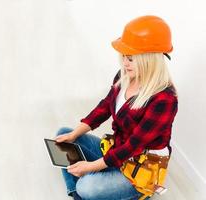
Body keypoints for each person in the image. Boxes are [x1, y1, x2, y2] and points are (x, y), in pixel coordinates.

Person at [55, 15, 178, 200]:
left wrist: (91, 166)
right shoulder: (124, 75)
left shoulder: (164, 99)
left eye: (131, 58)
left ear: (150, 59)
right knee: (64, 135)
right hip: (116, 150)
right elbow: (105, 107)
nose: (124, 62)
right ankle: (77, 192)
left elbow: (133, 145)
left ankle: (123, 192)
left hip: (139, 166)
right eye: (124, 57)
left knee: (88, 187)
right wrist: (75, 133)